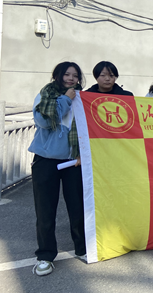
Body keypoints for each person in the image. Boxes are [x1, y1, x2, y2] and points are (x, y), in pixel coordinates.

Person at [28, 62, 87, 276]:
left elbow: (88, 129)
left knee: (78, 207)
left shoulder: (82, 98)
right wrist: (65, 99)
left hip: (73, 161)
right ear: (57, 76)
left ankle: (82, 248)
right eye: (66, 74)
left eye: (75, 75)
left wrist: (83, 153)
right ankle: (45, 256)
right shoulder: (45, 96)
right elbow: (44, 122)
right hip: (46, 161)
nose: (71, 78)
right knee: (45, 210)